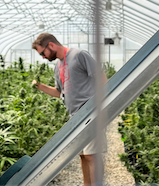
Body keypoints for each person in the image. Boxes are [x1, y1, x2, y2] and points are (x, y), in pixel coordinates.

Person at [31, 33, 107, 186]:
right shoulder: (58, 66)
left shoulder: (79, 55)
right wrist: (40, 87)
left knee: (93, 155)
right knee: (83, 155)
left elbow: (102, 78)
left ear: (51, 45)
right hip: (75, 118)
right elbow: (59, 92)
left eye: (42, 53)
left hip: (91, 113)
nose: (43, 57)